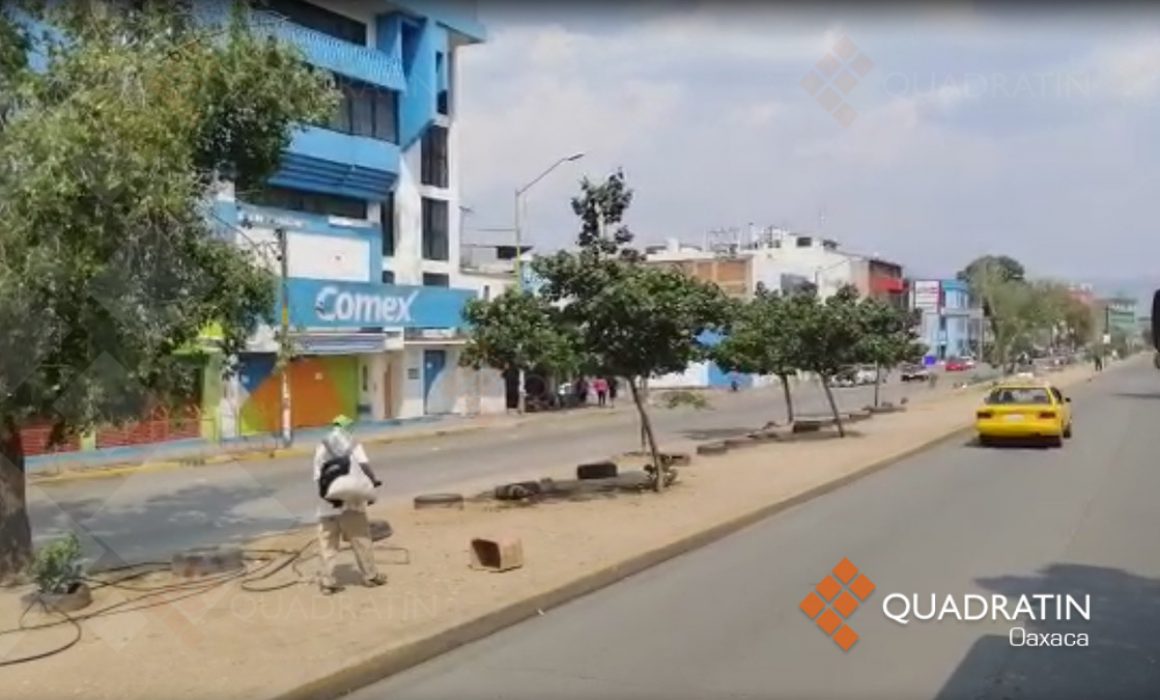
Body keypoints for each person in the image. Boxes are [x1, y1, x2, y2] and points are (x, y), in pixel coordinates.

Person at [313, 415, 387, 595]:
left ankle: (327, 582)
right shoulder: (353, 444)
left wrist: (330, 497)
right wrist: (372, 485)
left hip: (327, 506)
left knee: (327, 546)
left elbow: (317, 476)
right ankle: (370, 576)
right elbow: (365, 467)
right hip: (352, 505)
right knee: (361, 540)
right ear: (348, 427)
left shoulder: (322, 445)